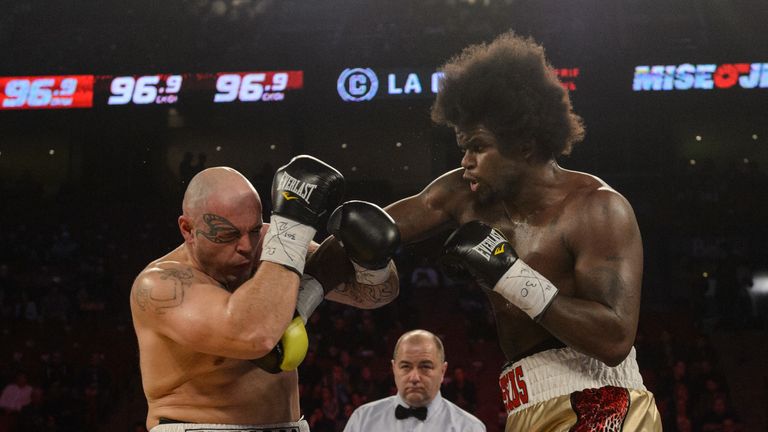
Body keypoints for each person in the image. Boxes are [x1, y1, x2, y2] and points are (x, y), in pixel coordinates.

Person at [381, 33, 662, 430]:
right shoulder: (464, 195)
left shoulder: (596, 208)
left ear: (526, 145)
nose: (466, 161)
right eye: (463, 146)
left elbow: (614, 339)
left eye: (478, 146)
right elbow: (375, 231)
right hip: (524, 405)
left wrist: (510, 275)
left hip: (603, 401)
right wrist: (296, 240)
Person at [130, 155, 401, 432]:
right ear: (187, 229)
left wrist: (374, 262)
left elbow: (373, 294)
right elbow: (254, 335)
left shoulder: (270, 244)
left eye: (254, 229)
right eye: (228, 234)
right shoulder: (161, 285)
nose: (247, 246)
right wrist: (292, 229)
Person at [343, 329, 485, 432]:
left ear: (442, 371)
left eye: (425, 367)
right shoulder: (363, 419)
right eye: (405, 366)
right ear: (394, 369)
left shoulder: (468, 428)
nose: (415, 377)